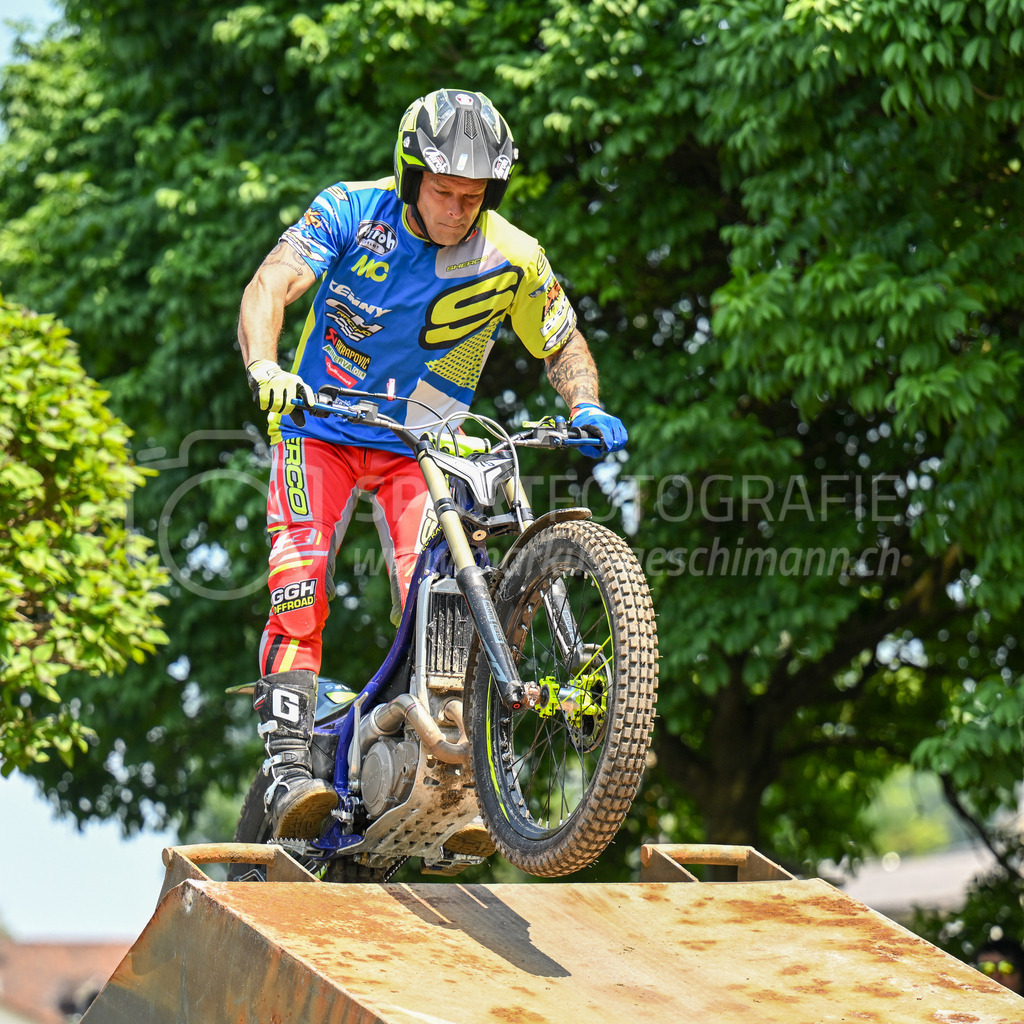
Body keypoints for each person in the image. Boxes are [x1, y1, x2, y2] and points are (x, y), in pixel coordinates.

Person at [236, 88, 628, 840]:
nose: (457, 209)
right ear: (411, 173)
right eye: (444, 191)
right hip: (320, 428)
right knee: (299, 581)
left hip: (424, 446)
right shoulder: (351, 210)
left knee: (452, 594)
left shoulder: (511, 256)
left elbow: (562, 338)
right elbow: (271, 284)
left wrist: (584, 404)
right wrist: (265, 366)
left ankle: (468, 767)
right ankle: (288, 768)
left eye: (473, 196)